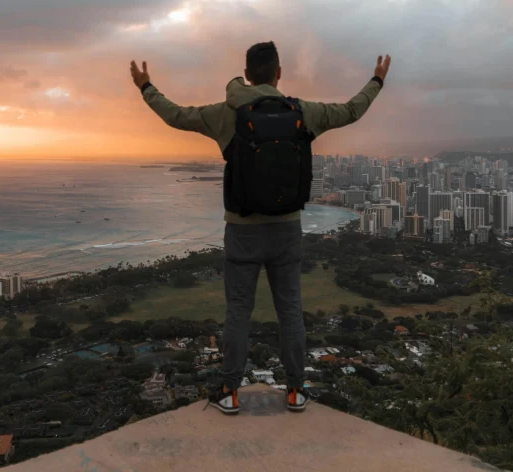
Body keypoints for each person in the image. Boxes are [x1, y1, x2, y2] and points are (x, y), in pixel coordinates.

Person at [130, 42, 391, 414]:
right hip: (287, 230)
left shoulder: (227, 113)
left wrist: (145, 86)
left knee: (239, 311)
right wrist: (376, 80)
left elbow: (175, 115)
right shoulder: (302, 112)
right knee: (291, 311)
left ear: (247, 75)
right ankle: (296, 391)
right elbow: (351, 110)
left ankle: (230, 392)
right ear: (278, 74)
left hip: (242, 230)